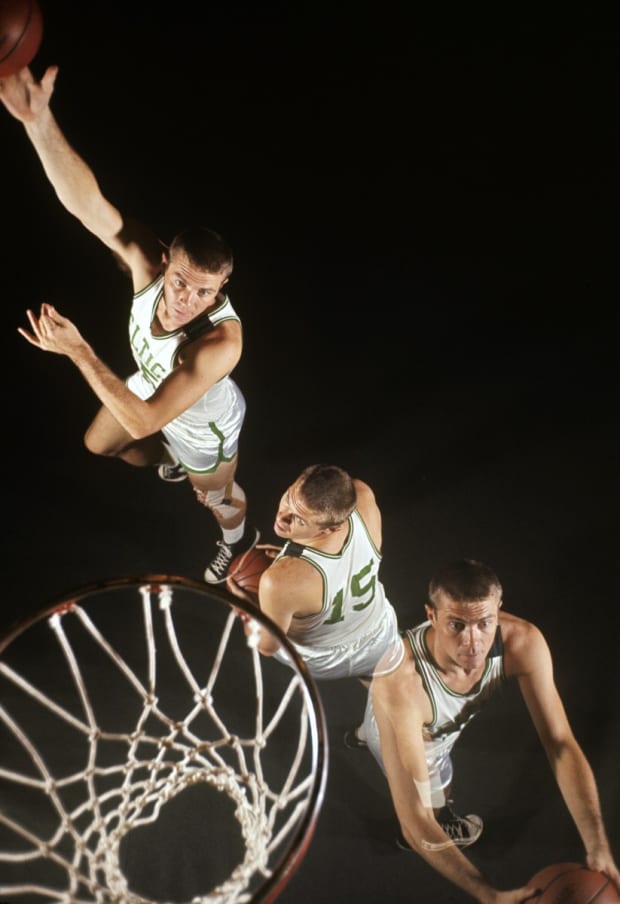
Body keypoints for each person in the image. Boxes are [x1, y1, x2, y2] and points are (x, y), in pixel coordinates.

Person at [1, 64, 258, 583]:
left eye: (205, 292)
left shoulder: (219, 344)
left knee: (217, 496)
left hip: (202, 423)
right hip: (154, 386)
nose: (188, 300)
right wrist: (37, 121)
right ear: (165, 263)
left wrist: (79, 351)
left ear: (221, 289)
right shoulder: (144, 260)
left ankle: (238, 541)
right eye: (181, 282)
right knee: (100, 444)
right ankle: (172, 461)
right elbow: (87, 205)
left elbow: (143, 421)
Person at [344, 558, 620, 903]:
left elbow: (560, 743)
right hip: (415, 723)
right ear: (431, 616)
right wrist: (487, 893)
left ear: (498, 610)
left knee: (391, 714)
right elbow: (414, 821)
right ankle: (376, 737)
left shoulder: (523, 642)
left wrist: (597, 844)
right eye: (457, 625)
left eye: (484, 623)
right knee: (430, 795)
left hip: (412, 710)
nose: (473, 642)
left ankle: (365, 729)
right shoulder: (403, 684)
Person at [226, 463, 403, 681]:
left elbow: (266, 647)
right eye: (288, 499)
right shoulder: (362, 495)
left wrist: (250, 611)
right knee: (386, 682)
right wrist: (295, 564)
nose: (282, 518)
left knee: (254, 629)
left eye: (299, 520)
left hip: (325, 659)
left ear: (330, 528)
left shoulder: (278, 582)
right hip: (380, 630)